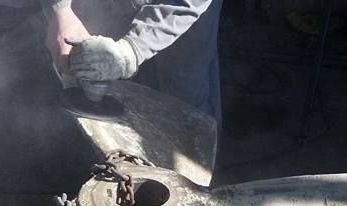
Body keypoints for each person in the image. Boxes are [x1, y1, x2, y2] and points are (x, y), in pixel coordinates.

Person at [42, 0, 223, 126]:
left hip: (182, 14)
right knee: (101, 81)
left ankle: (193, 177)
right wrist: (62, 10)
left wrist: (133, 49)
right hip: (109, 7)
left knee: (183, 107)